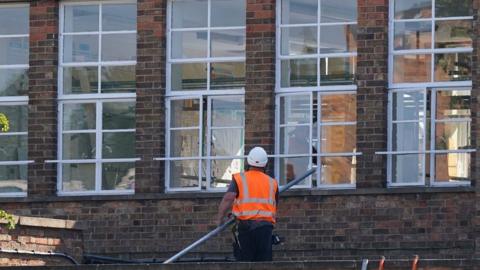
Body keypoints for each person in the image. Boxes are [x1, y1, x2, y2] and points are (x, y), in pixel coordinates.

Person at [216, 147, 279, 262]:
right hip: (265, 229)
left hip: (246, 228)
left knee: (245, 263)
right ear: (265, 164)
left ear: (248, 162)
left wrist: (220, 219)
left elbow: (228, 198)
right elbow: (273, 205)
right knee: (264, 264)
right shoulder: (272, 182)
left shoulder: (240, 178)